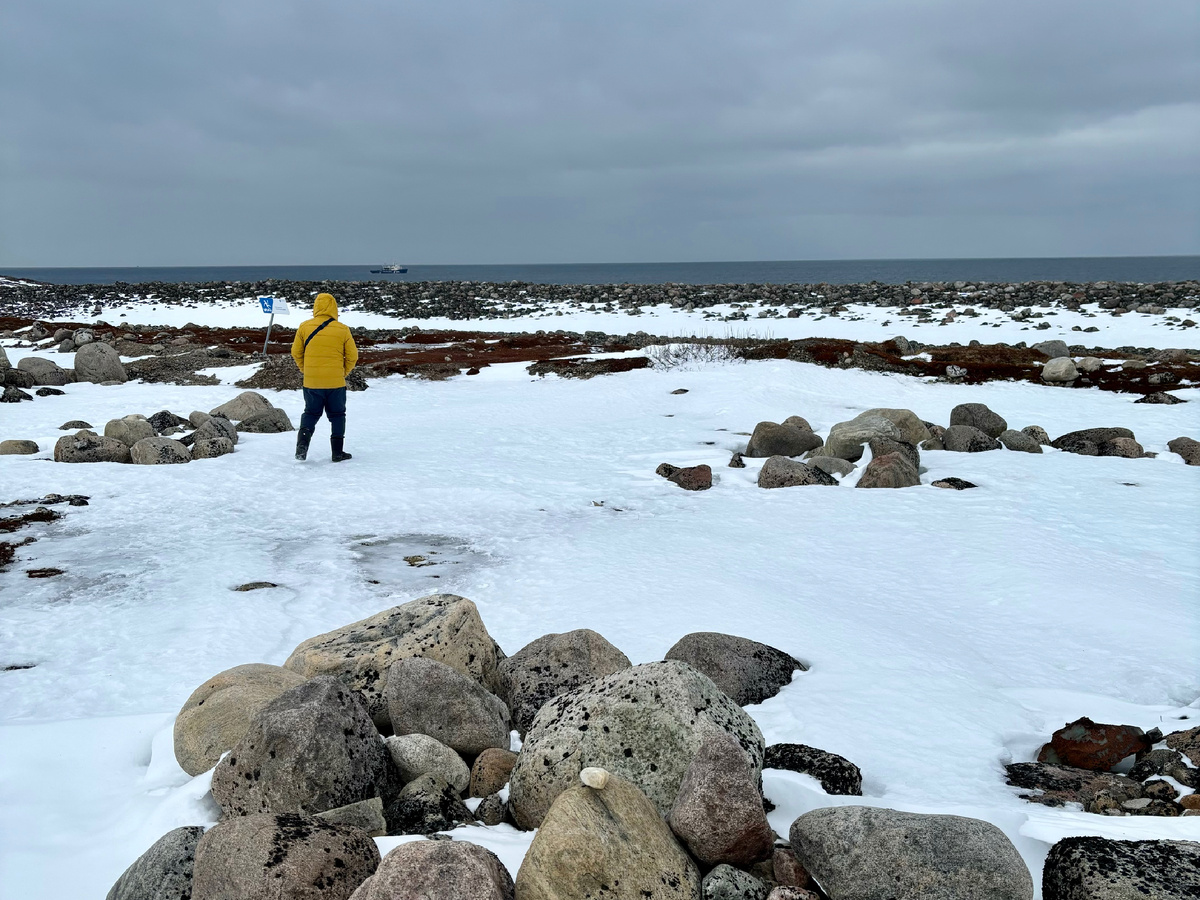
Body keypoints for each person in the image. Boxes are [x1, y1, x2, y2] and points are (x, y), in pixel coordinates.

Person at [291, 292, 359, 461]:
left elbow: (295, 352)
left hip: (311, 381)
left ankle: (302, 446)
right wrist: (343, 372)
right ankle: (337, 452)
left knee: (310, 413)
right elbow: (353, 356)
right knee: (337, 415)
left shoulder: (304, 327)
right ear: (334, 308)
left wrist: (305, 370)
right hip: (335, 383)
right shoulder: (342, 329)